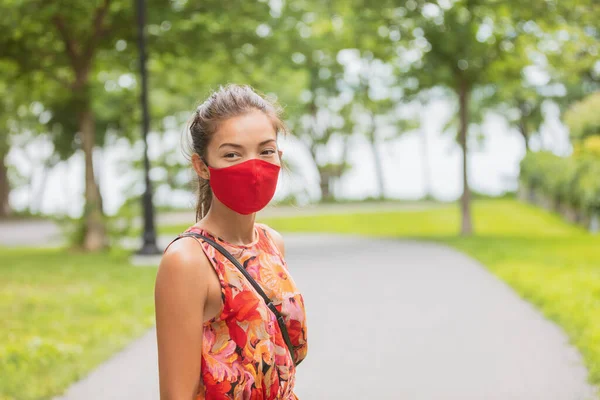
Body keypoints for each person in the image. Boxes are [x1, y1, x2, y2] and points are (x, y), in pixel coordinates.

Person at [155, 84, 308, 400]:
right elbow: (176, 396)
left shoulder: (271, 243)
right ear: (202, 167)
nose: (252, 167)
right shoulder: (187, 260)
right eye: (232, 154)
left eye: (265, 151)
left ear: (279, 156)